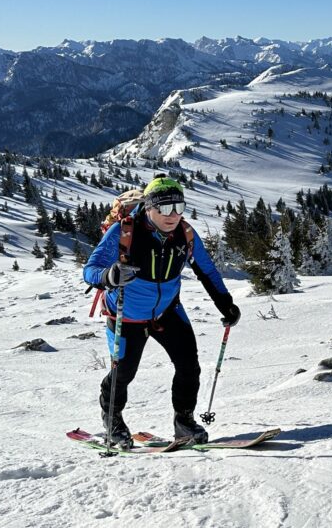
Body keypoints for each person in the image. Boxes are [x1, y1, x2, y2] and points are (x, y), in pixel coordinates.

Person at [83, 174, 240, 448]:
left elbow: (207, 270)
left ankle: (184, 422)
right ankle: (113, 421)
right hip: (127, 314)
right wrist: (109, 275)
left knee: (189, 364)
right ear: (149, 207)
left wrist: (224, 302)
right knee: (123, 372)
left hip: (167, 311)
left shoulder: (186, 234)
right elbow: (90, 270)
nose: (172, 215)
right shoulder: (124, 231)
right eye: (164, 208)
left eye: (178, 208)